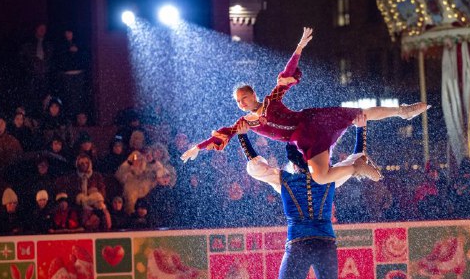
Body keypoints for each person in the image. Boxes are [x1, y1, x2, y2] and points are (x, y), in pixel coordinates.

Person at [181, 27, 429, 185]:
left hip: (310, 121)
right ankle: (356, 167)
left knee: (358, 114)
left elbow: (287, 74)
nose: (241, 103)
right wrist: (197, 148)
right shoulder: (244, 123)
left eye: (244, 97)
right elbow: (222, 135)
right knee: (320, 177)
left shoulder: (271, 100)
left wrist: (299, 47)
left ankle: (402, 111)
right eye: (237, 101)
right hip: (303, 140)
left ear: (253, 94)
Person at [238, 113, 373, 279]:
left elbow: (256, 167)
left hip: (298, 244)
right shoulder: (330, 177)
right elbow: (356, 162)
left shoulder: (283, 179)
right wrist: (360, 130)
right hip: (325, 243)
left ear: (292, 160)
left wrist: (244, 138)